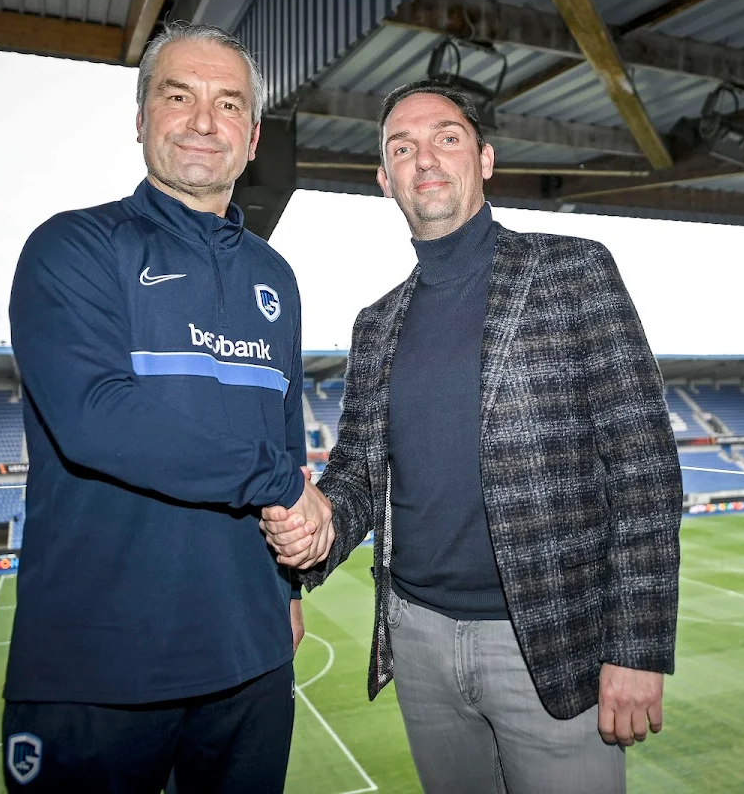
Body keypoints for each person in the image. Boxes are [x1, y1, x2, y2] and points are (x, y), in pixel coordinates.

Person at [261, 81, 681, 793]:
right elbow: (361, 472)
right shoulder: (376, 323)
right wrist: (322, 522)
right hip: (417, 642)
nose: (425, 158)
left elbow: (643, 470)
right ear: (384, 178)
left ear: (484, 158)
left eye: (446, 138)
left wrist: (636, 649)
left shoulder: (575, 272)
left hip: (550, 644)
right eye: (403, 147)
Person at [4, 23, 332, 794]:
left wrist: (283, 590)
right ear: (142, 116)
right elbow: (96, 419)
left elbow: (286, 440)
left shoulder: (274, 278)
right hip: (95, 669)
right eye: (178, 95)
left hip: (249, 663)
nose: (202, 121)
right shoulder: (73, 248)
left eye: (228, 104)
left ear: (253, 137)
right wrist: (280, 485)